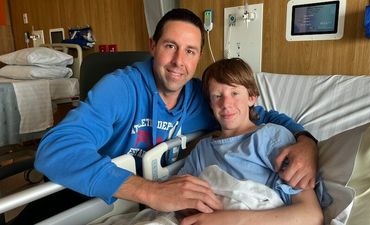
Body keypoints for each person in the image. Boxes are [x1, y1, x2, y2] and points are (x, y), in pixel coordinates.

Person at [33, 8, 318, 217]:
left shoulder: (203, 97)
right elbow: (54, 149)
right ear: (153, 46)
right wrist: (150, 191)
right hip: (81, 191)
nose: (178, 62)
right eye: (170, 46)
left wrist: (305, 142)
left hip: (142, 207)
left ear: (198, 58)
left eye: (190, 51)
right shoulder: (121, 89)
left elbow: (260, 116)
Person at [174, 57, 331, 225]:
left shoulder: (272, 138)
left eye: (234, 93)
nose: (226, 103)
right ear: (210, 104)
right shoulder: (202, 150)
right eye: (217, 95)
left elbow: (311, 215)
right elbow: (177, 194)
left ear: (252, 97)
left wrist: (226, 220)